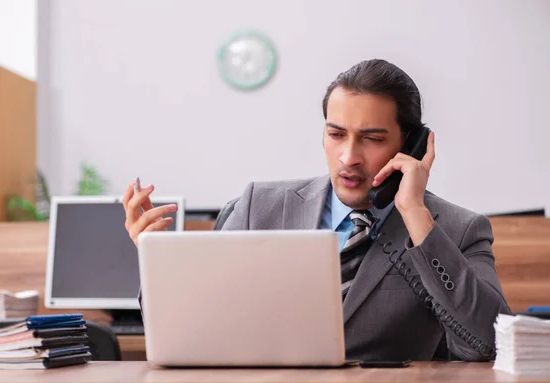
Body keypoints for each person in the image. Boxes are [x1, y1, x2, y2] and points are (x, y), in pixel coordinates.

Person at [122, 59, 510, 362]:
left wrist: (414, 214)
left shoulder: (458, 230)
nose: (349, 157)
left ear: (410, 145)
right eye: (336, 134)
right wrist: (162, 267)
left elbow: (486, 345)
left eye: (371, 139)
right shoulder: (260, 207)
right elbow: (194, 332)